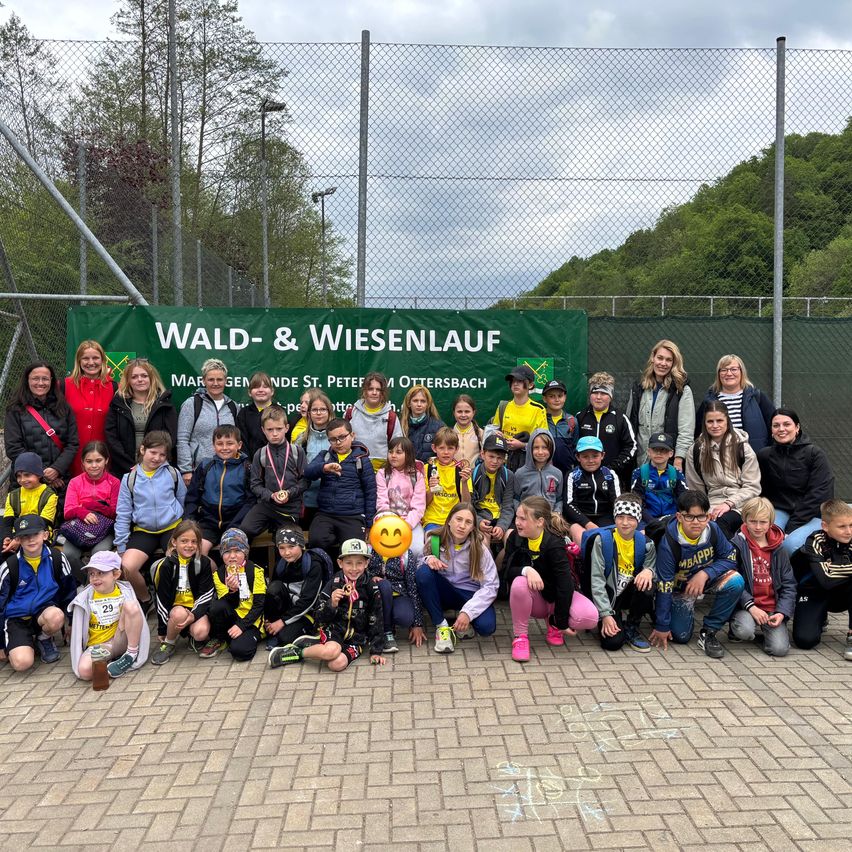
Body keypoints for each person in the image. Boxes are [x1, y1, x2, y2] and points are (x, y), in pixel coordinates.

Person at [649, 490, 743, 659]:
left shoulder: (713, 530)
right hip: (679, 589)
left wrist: (706, 573)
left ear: (708, 517)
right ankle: (665, 612)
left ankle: (709, 631)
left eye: (701, 516)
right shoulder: (669, 542)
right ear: (679, 517)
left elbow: (730, 557)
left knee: (735, 581)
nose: (696, 522)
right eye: (689, 517)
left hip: (705, 580)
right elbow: (664, 584)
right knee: (681, 637)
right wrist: (662, 625)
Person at [504, 496, 599, 663]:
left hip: (555, 597)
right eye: (517, 517)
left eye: (523, 519)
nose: (517, 522)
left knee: (590, 617)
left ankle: (553, 624)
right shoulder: (515, 538)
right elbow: (506, 571)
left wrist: (561, 621)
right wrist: (527, 570)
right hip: (535, 600)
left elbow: (565, 583)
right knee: (519, 583)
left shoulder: (554, 543)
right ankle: (520, 638)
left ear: (540, 522)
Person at [268, 538, 386, 670]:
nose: (354, 569)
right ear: (340, 563)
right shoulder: (334, 583)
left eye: (359, 563)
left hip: (356, 640)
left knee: (336, 664)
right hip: (334, 631)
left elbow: (376, 618)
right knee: (331, 652)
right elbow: (318, 616)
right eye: (348, 563)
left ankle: (317, 645)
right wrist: (332, 604)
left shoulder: (371, 586)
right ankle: (297, 652)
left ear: (366, 563)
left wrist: (376, 651)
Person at [114, 430, 187, 614]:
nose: (157, 458)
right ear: (142, 449)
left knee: (176, 563)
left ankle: (172, 602)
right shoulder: (129, 479)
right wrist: (121, 546)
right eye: (153, 452)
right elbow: (123, 513)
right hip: (144, 530)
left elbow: (183, 500)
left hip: (171, 527)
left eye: (162, 454)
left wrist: (182, 528)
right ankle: (146, 599)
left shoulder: (172, 473)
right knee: (127, 567)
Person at [416, 502, 499, 653]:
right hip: (445, 592)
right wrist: (428, 559)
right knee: (423, 573)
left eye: (468, 522)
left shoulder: (479, 548)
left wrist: (468, 612)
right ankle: (441, 626)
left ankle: (464, 621)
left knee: (487, 627)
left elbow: (491, 585)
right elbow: (417, 565)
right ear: (448, 521)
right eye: (458, 519)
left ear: (473, 527)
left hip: (469, 594)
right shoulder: (435, 540)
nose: (462, 526)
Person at [0, 515, 76, 671]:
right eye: (24, 536)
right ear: (18, 540)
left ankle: (44, 638)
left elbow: (69, 591)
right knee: (22, 664)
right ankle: (24, 642)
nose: (30, 540)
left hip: (44, 612)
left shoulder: (57, 558)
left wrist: (72, 623)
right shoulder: (10, 566)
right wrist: (1, 645)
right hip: (16, 619)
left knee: (56, 616)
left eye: (35, 534)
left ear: (45, 535)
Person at [757, 408, 834, 556]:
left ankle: (790, 579)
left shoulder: (814, 454)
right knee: (766, 538)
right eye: (776, 425)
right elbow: (760, 490)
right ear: (771, 430)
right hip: (779, 510)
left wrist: (792, 527)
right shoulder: (764, 456)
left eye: (787, 424)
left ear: (797, 428)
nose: (781, 429)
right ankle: (766, 577)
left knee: (789, 545)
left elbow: (820, 493)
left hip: (812, 514)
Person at [587, 493, 656, 652]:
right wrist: (605, 614)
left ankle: (632, 625)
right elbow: (596, 580)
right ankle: (613, 619)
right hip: (609, 596)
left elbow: (653, 568)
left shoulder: (646, 544)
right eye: (620, 517)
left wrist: (649, 571)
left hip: (628, 593)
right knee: (612, 644)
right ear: (614, 517)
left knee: (647, 586)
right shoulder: (602, 541)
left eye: (630, 518)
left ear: (638, 519)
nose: (625, 523)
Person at [729, 497, 795, 657]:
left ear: (771, 522)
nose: (758, 527)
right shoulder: (737, 544)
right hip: (747, 606)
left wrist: (782, 613)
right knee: (744, 631)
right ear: (744, 520)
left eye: (763, 522)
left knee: (779, 650)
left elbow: (789, 584)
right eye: (753, 521)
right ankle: (736, 628)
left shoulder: (780, 548)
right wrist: (751, 607)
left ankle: (768, 634)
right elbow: (732, 579)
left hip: (773, 608)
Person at [68, 550, 149, 680]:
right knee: (84, 672)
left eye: (101, 573)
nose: (95, 578)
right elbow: (77, 635)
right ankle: (114, 664)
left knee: (131, 607)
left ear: (116, 574)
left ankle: (130, 655)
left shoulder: (125, 590)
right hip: (99, 646)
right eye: (92, 574)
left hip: (122, 639)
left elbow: (137, 619)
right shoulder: (84, 598)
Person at [685, 401, 761, 539]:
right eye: (710, 421)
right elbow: (695, 490)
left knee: (720, 524)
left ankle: (728, 558)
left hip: (742, 504)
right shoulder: (695, 450)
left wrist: (728, 503)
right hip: (711, 503)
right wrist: (700, 512)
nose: (715, 426)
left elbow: (752, 488)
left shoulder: (743, 448)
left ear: (727, 421)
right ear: (704, 423)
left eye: (719, 420)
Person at [304, 418, 377, 561]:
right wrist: (324, 468)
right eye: (333, 439)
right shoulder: (325, 456)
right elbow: (308, 472)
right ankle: (324, 576)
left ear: (352, 435)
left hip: (353, 516)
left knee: (352, 551)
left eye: (342, 437)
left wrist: (369, 524)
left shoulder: (362, 460)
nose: (338, 442)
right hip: (325, 514)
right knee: (316, 542)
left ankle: (347, 580)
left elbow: (371, 492)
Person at [4, 361, 79, 499]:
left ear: (51, 381)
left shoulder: (64, 408)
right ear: (27, 380)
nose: (40, 383)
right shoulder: (15, 410)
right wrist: (43, 472)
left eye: (45, 378)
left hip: (60, 482)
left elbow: (72, 443)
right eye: (35, 378)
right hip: (26, 484)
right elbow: (13, 447)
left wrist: (57, 469)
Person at [790, 499, 852, 659]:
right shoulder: (814, 541)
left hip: (843, 594)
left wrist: (831, 567)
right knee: (805, 641)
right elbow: (825, 579)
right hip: (814, 591)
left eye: (851, 525)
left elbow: (829, 574)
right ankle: (820, 617)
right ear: (825, 526)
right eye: (842, 526)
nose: (848, 531)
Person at [183, 424, 254, 556]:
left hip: (236, 523)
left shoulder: (247, 468)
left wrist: (234, 526)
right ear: (213, 445)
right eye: (220, 444)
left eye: (230, 443)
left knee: (233, 555)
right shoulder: (205, 466)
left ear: (239, 445)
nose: (225, 448)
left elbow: (250, 502)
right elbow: (192, 497)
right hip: (208, 522)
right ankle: (213, 575)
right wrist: (189, 522)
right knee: (197, 554)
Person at [151, 521, 216, 663]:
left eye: (194, 541)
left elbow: (206, 594)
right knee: (179, 613)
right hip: (175, 610)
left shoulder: (203, 563)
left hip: (195, 608)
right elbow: (161, 599)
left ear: (199, 543)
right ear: (174, 542)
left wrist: (194, 615)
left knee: (201, 633)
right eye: (184, 541)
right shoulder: (166, 565)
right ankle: (169, 643)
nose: (189, 545)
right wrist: (162, 629)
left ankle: (190, 634)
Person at [627, 339, 694, 470]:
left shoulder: (681, 390)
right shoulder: (638, 388)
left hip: (668, 463)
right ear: (653, 358)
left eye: (668, 360)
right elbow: (629, 426)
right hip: (641, 460)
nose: (663, 363)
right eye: (660, 358)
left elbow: (686, 430)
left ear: (674, 363)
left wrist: (679, 459)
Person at [241, 408, 307, 541]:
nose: (275, 434)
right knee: (245, 530)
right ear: (263, 430)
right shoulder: (260, 454)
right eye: (270, 430)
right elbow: (255, 484)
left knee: (284, 541)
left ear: (287, 428)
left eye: (279, 428)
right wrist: (270, 495)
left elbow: (305, 481)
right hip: (267, 505)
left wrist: (289, 493)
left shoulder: (297, 452)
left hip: (290, 509)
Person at [105, 357, 177, 476]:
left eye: (144, 376)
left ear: (151, 378)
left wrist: (151, 463)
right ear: (128, 380)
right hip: (125, 469)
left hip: (158, 469)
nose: (140, 380)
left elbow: (171, 438)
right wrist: (130, 465)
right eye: (134, 377)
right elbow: (111, 438)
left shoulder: (164, 404)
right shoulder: (118, 404)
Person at [264, 527, 332, 650]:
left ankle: (310, 633)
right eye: (282, 548)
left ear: (301, 545)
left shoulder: (313, 565)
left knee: (286, 638)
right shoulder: (281, 564)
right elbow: (272, 595)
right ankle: (273, 630)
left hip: (308, 612)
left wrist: (282, 622)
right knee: (274, 588)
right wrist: (270, 619)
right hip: (289, 609)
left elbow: (308, 601)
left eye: (291, 546)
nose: (287, 552)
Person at [206, 527, 266, 661]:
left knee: (239, 652)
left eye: (237, 551)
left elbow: (259, 605)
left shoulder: (256, 571)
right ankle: (222, 638)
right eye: (227, 552)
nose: (232, 556)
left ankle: (250, 637)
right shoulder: (219, 575)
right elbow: (225, 605)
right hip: (233, 617)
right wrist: (233, 591)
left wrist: (242, 626)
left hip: (252, 620)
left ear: (245, 552)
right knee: (216, 606)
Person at [695, 354, 775, 453]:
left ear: (742, 372)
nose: (729, 373)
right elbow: (698, 432)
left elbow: (774, 425)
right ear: (718, 374)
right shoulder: (709, 401)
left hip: (753, 459)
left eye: (734, 369)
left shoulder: (756, 397)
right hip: (718, 459)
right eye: (724, 370)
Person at [176, 358, 239, 484]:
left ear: (225, 381)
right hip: (198, 471)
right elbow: (182, 439)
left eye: (219, 379)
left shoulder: (233, 406)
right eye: (211, 379)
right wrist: (186, 470)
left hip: (227, 471)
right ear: (204, 381)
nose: (215, 383)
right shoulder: (192, 404)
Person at [58, 441, 121, 564]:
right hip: (78, 529)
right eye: (89, 461)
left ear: (106, 460)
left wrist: (90, 505)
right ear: (82, 462)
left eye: (98, 460)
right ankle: (82, 583)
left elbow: (115, 513)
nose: (94, 465)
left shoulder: (114, 482)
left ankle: (94, 583)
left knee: (99, 555)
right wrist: (82, 512)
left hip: (104, 531)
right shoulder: (75, 482)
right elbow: (67, 512)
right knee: (68, 555)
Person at [575, 372, 636, 487]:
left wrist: (612, 468)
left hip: (613, 477)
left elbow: (631, 447)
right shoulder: (580, 417)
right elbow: (573, 445)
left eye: (603, 393)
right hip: (584, 478)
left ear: (611, 396)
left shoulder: (621, 419)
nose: (598, 397)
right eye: (595, 392)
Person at [64, 340, 116, 475]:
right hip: (72, 457)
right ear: (78, 361)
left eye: (95, 358)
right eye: (85, 358)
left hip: (103, 458)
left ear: (103, 360)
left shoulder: (114, 387)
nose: (91, 362)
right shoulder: (65, 386)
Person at [367, 537, 424, 652]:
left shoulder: (405, 554)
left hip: (399, 593)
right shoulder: (368, 550)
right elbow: (359, 572)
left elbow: (412, 587)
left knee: (405, 618)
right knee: (385, 585)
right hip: (376, 593)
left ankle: (387, 622)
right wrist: (370, 578)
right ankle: (387, 632)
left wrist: (417, 624)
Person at [375, 436, 426, 565]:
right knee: (383, 549)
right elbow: (382, 503)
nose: (393, 456)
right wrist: (391, 521)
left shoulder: (417, 476)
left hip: (410, 522)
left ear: (408, 454)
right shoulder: (382, 474)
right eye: (390, 451)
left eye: (398, 452)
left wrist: (406, 524)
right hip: (387, 520)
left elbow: (419, 507)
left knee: (417, 549)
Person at [488, 365, 547, 472]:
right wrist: (496, 434)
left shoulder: (538, 409)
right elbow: (493, 431)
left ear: (531, 385)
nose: (515, 383)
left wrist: (522, 445)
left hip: (527, 463)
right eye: (513, 380)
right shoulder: (503, 406)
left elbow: (544, 442)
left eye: (520, 381)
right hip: (503, 462)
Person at [563, 436, 621, 546]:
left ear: (602, 455)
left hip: (606, 517)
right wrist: (588, 523)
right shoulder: (572, 475)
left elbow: (617, 502)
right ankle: (582, 562)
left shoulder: (610, 474)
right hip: (580, 519)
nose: (591, 460)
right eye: (585, 456)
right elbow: (569, 505)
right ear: (578, 457)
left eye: (595, 456)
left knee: (611, 540)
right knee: (583, 538)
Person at [346, 372, 402, 471]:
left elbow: (398, 447)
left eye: (378, 389)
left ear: (383, 392)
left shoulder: (391, 417)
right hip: (355, 470)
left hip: (382, 472)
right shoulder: (351, 413)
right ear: (364, 391)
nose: (374, 392)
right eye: (370, 389)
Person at [293, 390, 333, 529]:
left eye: (323, 409)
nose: (319, 413)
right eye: (314, 409)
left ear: (329, 412)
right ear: (309, 413)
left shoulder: (338, 439)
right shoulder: (301, 440)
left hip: (332, 501)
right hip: (307, 501)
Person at [1, 453, 58, 550]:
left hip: (40, 535)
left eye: (27, 475)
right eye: (18, 476)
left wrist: (19, 540)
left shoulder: (50, 495)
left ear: (39, 474)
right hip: (17, 534)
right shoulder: (12, 495)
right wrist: (7, 538)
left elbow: (42, 523)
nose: (22, 480)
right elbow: (7, 522)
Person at [629, 432, 686, 525]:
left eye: (663, 450)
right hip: (646, 519)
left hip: (672, 518)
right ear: (648, 451)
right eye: (655, 449)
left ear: (671, 453)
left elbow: (684, 500)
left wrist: (671, 519)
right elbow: (637, 502)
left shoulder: (677, 474)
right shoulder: (639, 473)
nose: (659, 453)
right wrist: (652, 522)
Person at [470, 434, 515, 552]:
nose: (495, 461)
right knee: (483, 543)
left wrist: (502, 526)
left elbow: (508, 506)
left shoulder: (508, 475)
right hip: (482, 517)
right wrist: (478, 522)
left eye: (499, 458)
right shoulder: (473, 474)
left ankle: (502, 569)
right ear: (482, 454)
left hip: (501, 517)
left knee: (511, 541)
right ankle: (487, 569)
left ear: (504, 459)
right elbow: (470, 506)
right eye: (491, 456)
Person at [422, 427, 471, 532]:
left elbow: (466, 504)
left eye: (450, 448)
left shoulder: (462, 470)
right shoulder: (427, 469)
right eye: (441, 448)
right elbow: (423, 504)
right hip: (432, 520)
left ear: (456, 449)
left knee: (458, 544)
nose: (446, 452)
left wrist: (464, 483)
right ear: (434, 448)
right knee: (433, 542)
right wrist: (431, 489)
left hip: (455, 521)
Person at [235, 372, 284, 461]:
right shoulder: (244, 414)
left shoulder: (280, 411)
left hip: (276, 463)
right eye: (256, 387)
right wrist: (248, 464)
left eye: (265, 387)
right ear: (249, 392)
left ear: (272, 391)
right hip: (251, 466)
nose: (261, 390)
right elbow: (242, 442)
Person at [512, 428, 563, 513]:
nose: (540, 452)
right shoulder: (520, 474)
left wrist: (556, 513)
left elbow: (559, 499)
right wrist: (522, 515)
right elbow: (516, 499)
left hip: (551, 519)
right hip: (528, 519)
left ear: (551, 449)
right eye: (536, 447)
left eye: (545, 447)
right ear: (530, 449)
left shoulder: (557, 473)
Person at [401, 384, 445, 463]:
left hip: (430, 473)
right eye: (415, 401)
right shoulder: (400, 426)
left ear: (428, 404)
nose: (419, 404)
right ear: (408, 403)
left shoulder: (438, 426)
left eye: (423, 401)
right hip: (406, 473)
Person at [540, 379, 577, 475]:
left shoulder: (572, 421)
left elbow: (575, 446)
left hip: (566, 472)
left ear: (565, 397)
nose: (557, 400)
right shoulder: (539, 419)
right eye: (551, 396)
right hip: (543, 471)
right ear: (544, 398)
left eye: (560, 396)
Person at [451, 394, 484, 467]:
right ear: (454, 413)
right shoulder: (448, 434)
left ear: (473, 412)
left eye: (467, 411)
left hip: (474, 476)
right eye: (459, 411)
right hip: (453, 475)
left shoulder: (481, 433)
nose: (463, 415)